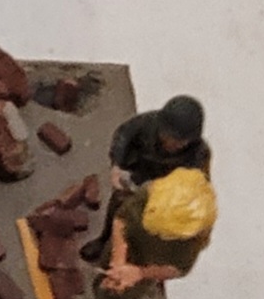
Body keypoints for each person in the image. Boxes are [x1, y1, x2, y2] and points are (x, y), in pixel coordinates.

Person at [61, 167, 217, 299]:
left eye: (163, 233)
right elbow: (122, 218)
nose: (156, 234)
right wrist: (118, 260)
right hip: (123, 247)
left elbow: (178, 269)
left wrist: (139, 273)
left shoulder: (190, 240)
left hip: (147, 266)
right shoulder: (153, 194)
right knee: (101, 280)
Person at [80, 95, 211, 263]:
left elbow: (200, 187)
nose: (172, 143)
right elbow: (123, 136)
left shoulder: (198, 155)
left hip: (164, 198)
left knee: (147, 232)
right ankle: (104, 240)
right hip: (137, 177)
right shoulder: (147, 124)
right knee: (118, 208)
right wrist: (117, 165)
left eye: (180, 141)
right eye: (168, 136)